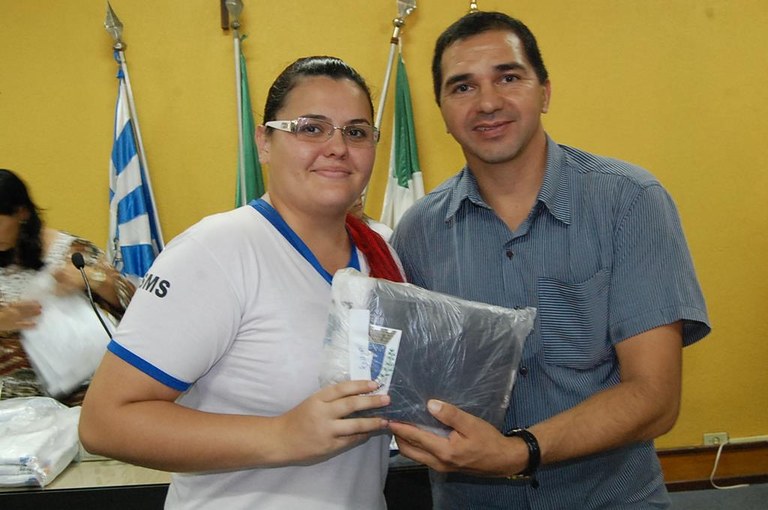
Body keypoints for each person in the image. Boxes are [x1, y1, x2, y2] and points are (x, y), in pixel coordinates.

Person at [389, 11, 710, 509]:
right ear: (443, 112)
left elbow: (655, 397)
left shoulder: (629, 202)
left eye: (508, 77)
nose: (488, 102)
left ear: (544, 92)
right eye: (463, 87)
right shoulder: (417, 233)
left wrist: (519, 452)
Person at [79, 56, 405, 510]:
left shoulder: (382, 252)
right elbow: (104, 423)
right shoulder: (216, 251)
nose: (337, 147)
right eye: (311, 128)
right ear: (264, 143)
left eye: (356, 132)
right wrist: (283, 435)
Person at [0, 168, 135, 405]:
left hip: (88, 392)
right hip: (12, 403)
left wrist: (92, 279)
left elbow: (136, 308)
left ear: (21, 213)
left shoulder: (73, 251)